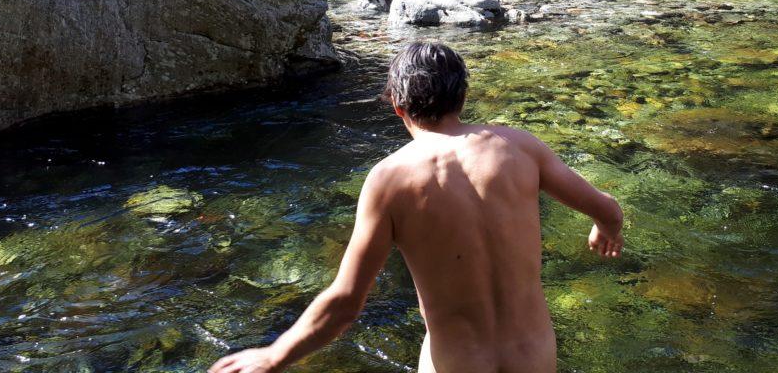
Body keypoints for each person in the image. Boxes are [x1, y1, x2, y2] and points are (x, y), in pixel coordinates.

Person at [210, 41, 624, 373]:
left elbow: (346, 303)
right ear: (463, 95)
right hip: (535, 361)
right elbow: (608, 208)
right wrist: (606, 227)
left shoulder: (389, 179)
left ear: (397, 107)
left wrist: (274, 356)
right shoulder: (519, 148)